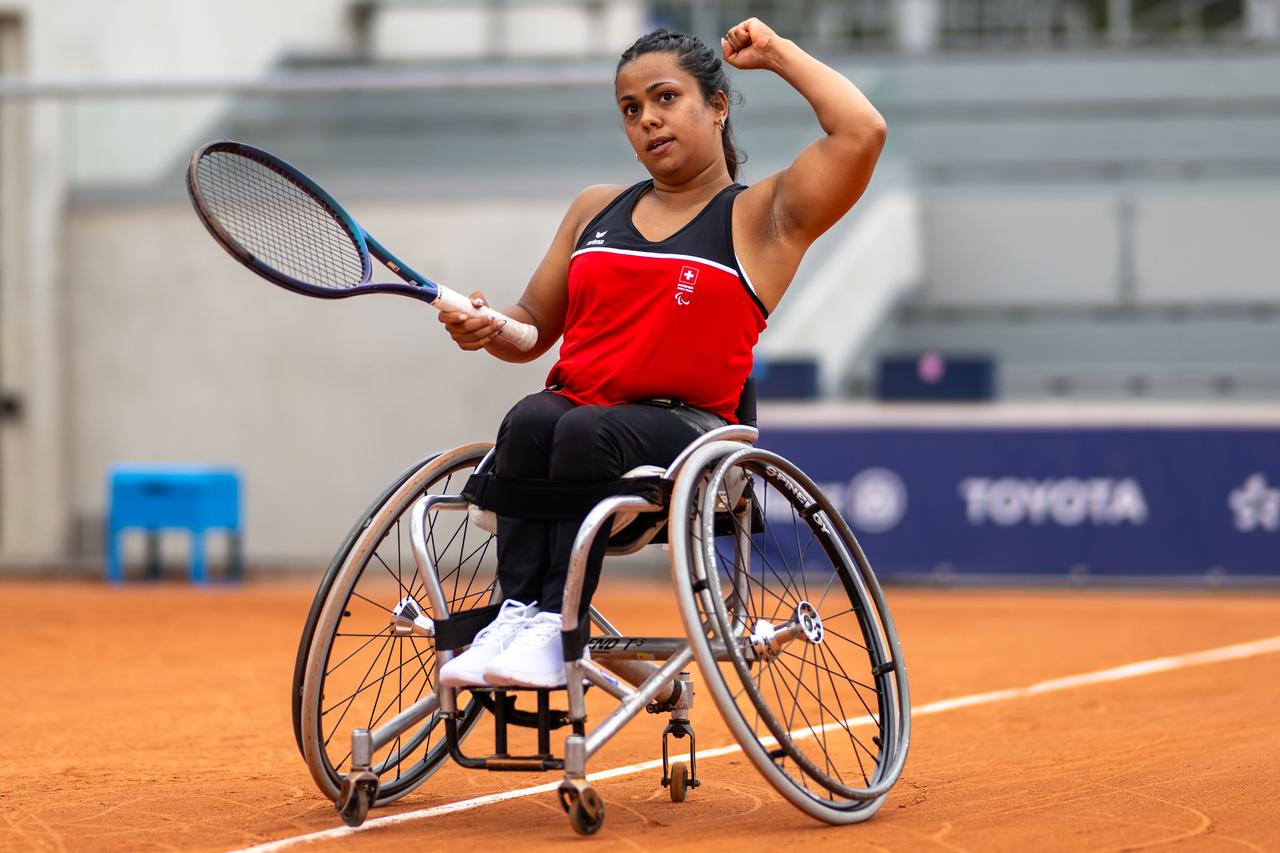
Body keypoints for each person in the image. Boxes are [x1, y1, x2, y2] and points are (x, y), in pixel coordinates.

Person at [436, 18, 886, 689]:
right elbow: (531, 327)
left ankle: (554, 626)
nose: (647, 119)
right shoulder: (595, 208)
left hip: (688, 433)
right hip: (574, 422)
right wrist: (488, 325)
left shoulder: (764, 217)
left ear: (718, 105)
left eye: (665, 98)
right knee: (531, 418)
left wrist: (779, 55)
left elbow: (862, 132)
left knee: (581, 427)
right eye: (631, 108)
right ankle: (521, 613)